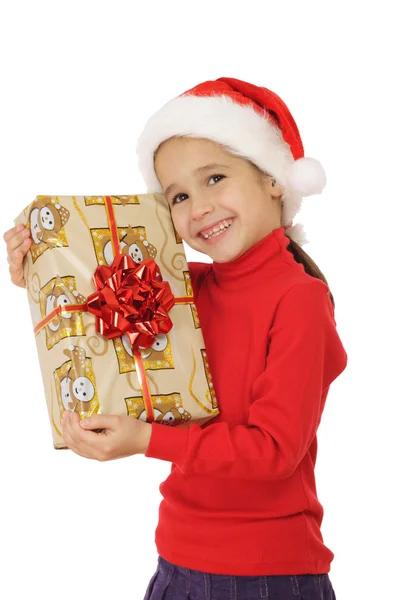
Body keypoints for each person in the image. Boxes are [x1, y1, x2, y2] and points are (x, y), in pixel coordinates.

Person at [4, 77, 347, 600]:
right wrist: (38, 262)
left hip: (265, 575)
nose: (199, 207)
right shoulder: (185, 289)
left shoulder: (298, 300)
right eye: (180, 195)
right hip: (177, 561)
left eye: (215, 178)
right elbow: (93, 288)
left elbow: (275, 450)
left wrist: (146, 440)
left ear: (274, 179)